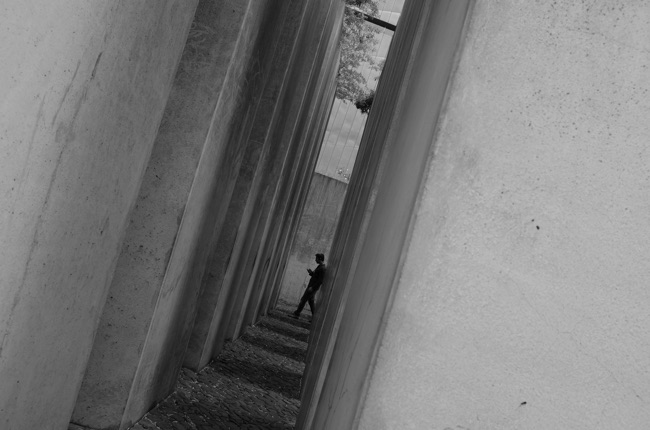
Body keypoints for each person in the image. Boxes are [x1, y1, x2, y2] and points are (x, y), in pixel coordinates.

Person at [291, 253, 326, 319]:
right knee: (311, 302)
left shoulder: (322, 269)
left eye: (316, 258)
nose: (315, 260)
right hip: (311, 287)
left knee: (303, 300)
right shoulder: (320, 267)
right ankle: (314, 317)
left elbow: (320, 281)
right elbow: (316, 277)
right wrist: (311, 273)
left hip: (312, 288)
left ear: (320, 259)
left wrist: (312, 288)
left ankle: (297, 314)